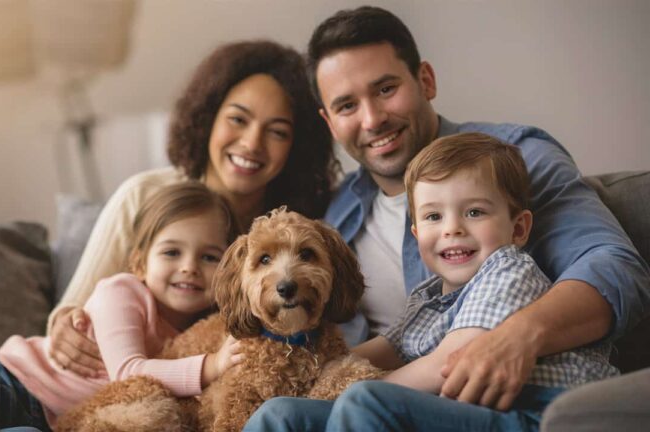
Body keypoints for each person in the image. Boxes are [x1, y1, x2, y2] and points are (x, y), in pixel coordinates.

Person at [305, 5, 648, 410]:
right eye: (347, 106)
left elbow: (616, 270)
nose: (372, 118)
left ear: (425, 80)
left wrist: (518, 335)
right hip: (386, 403)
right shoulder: (338, 213)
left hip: (495, 401)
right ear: (330, 123)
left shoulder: (518, 158)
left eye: (385, 89)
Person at [246, 133, 620, 431]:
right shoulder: (428, 297)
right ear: (415, 231)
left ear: (518, 228)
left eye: (474, 212)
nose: (452, 228)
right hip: (464, 412)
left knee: (365, 401)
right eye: (434, 216)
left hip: (541, 413)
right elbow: (381, 350)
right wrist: (304, 367)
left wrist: (347, 387)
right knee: (281, 414)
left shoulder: (507, 271)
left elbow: (447, 364)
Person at [47, 40, 339, 378]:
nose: (251, 143)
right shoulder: (143, 195)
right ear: (207, 117)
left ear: (297, 146)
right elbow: (73, 306)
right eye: (237, 119)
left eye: (277, 132)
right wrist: (64, 326)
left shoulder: (295, 227)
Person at [0, 182, 244, 432]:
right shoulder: (123, 292)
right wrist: (211, 367)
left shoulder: (201, 330)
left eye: (210, 257)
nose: (189, 267)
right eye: (171, 252)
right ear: (139, 263)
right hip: (9, 379)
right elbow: (130, 372)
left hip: (47, 420)